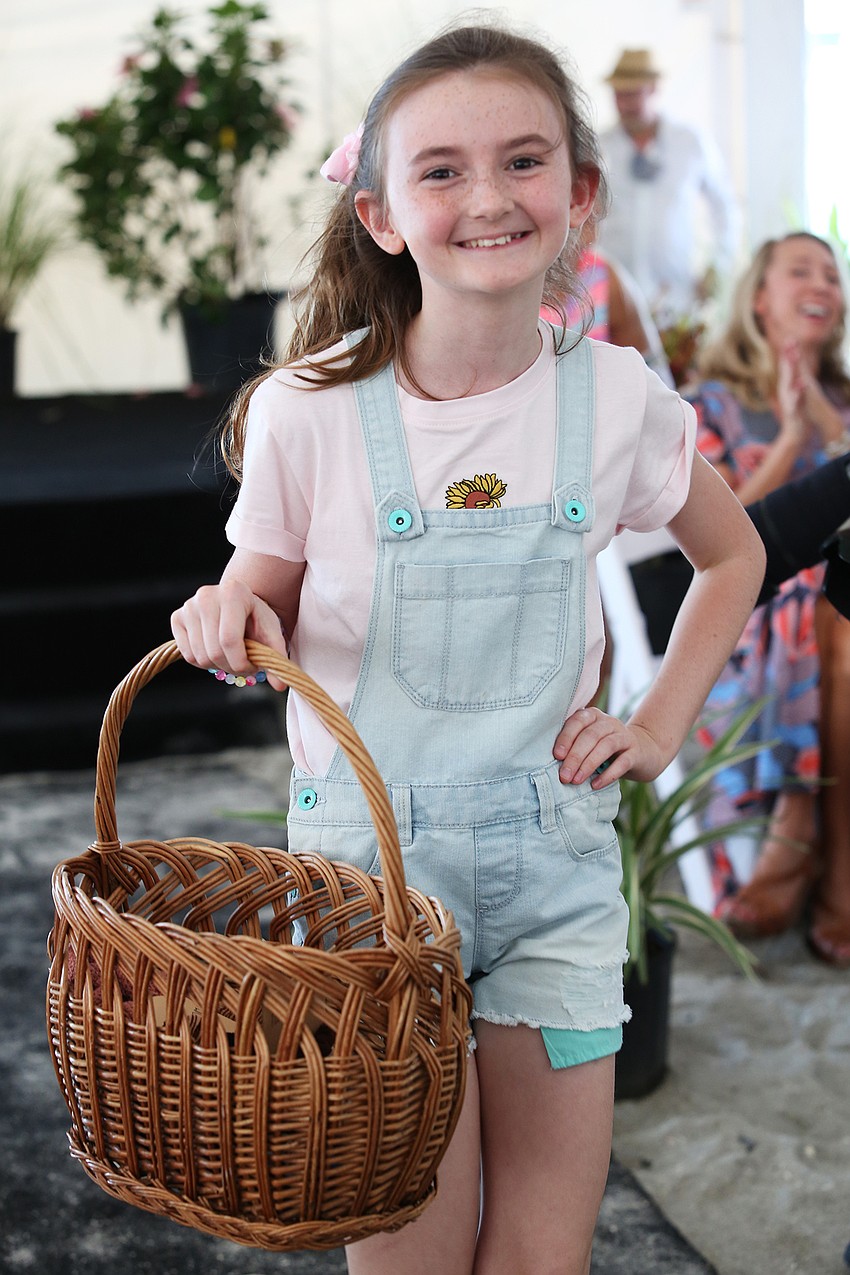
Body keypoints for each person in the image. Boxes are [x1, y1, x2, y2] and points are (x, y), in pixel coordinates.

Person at [171, 23, 765, 1274]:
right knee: (408, 1257)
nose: (488, 197)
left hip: (555, 877)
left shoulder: (615, 399)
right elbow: (256, 599)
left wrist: (655, 726)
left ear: (578, 197)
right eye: (440, 169)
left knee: (543, 1254)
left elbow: (735, 557)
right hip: (376, 897)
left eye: (523, 161)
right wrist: (227, 620)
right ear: (382, 212)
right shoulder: (308, 410)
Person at [687, 232, 850, 966]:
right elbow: (709, 536)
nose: (823, 283)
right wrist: (790, 437)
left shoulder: (845, 400)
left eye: (833, 273)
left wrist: (824, 417)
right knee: (824, 604)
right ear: (759, 296)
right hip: (752, 605)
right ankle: (825, 854)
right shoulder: (708, 402)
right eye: (801, 270)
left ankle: (804, 837)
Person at [596, 48, 739, 323]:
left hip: (677, 297)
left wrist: (717, 267)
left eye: (632, 93)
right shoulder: (598, 146)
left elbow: (725, 208)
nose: (625, 103)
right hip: (612, 297)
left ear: (653, 89)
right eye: (619, 94)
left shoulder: (690, 143)